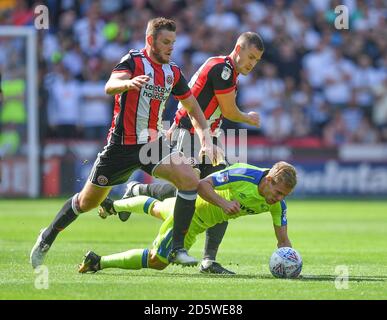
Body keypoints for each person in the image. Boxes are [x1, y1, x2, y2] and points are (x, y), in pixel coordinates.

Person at [30, 17, 219, 269]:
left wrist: (206, 137)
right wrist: (128, 84)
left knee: (189, 180)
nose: (170, 47)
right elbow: (110, 86)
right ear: (150, 40)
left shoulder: (173, 72)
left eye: (173, 42)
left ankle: (176, 247)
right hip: (120, 146)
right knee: (87, 203)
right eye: (165, 42)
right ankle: (47, 236)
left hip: (152, 142)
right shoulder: (133, 60)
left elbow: (192, 106)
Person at [98, 32, 265, 274]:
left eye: (256, 60)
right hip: (191, 134)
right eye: (250, 56)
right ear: (238, 49)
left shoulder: (225, 68)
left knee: (212, 188)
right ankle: (139, 191)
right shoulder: (224, 70)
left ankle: (208, 259)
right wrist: (248, 117)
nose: (252, 63)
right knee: (193, 188)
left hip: (203, 137)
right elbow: (228, 111)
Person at [78, 161, 297, 275]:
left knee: (159, 209)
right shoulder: (244, 175)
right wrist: (224, 204)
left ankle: (114, 205)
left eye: (284, 196)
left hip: (197, 225)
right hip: (189, 217)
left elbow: (283, 241)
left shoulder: (277, 205)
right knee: (158, 261)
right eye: (278, 193)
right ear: (268, 180)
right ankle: (98, 262)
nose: (279, 199)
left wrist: (291, 263)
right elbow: (202, 184)